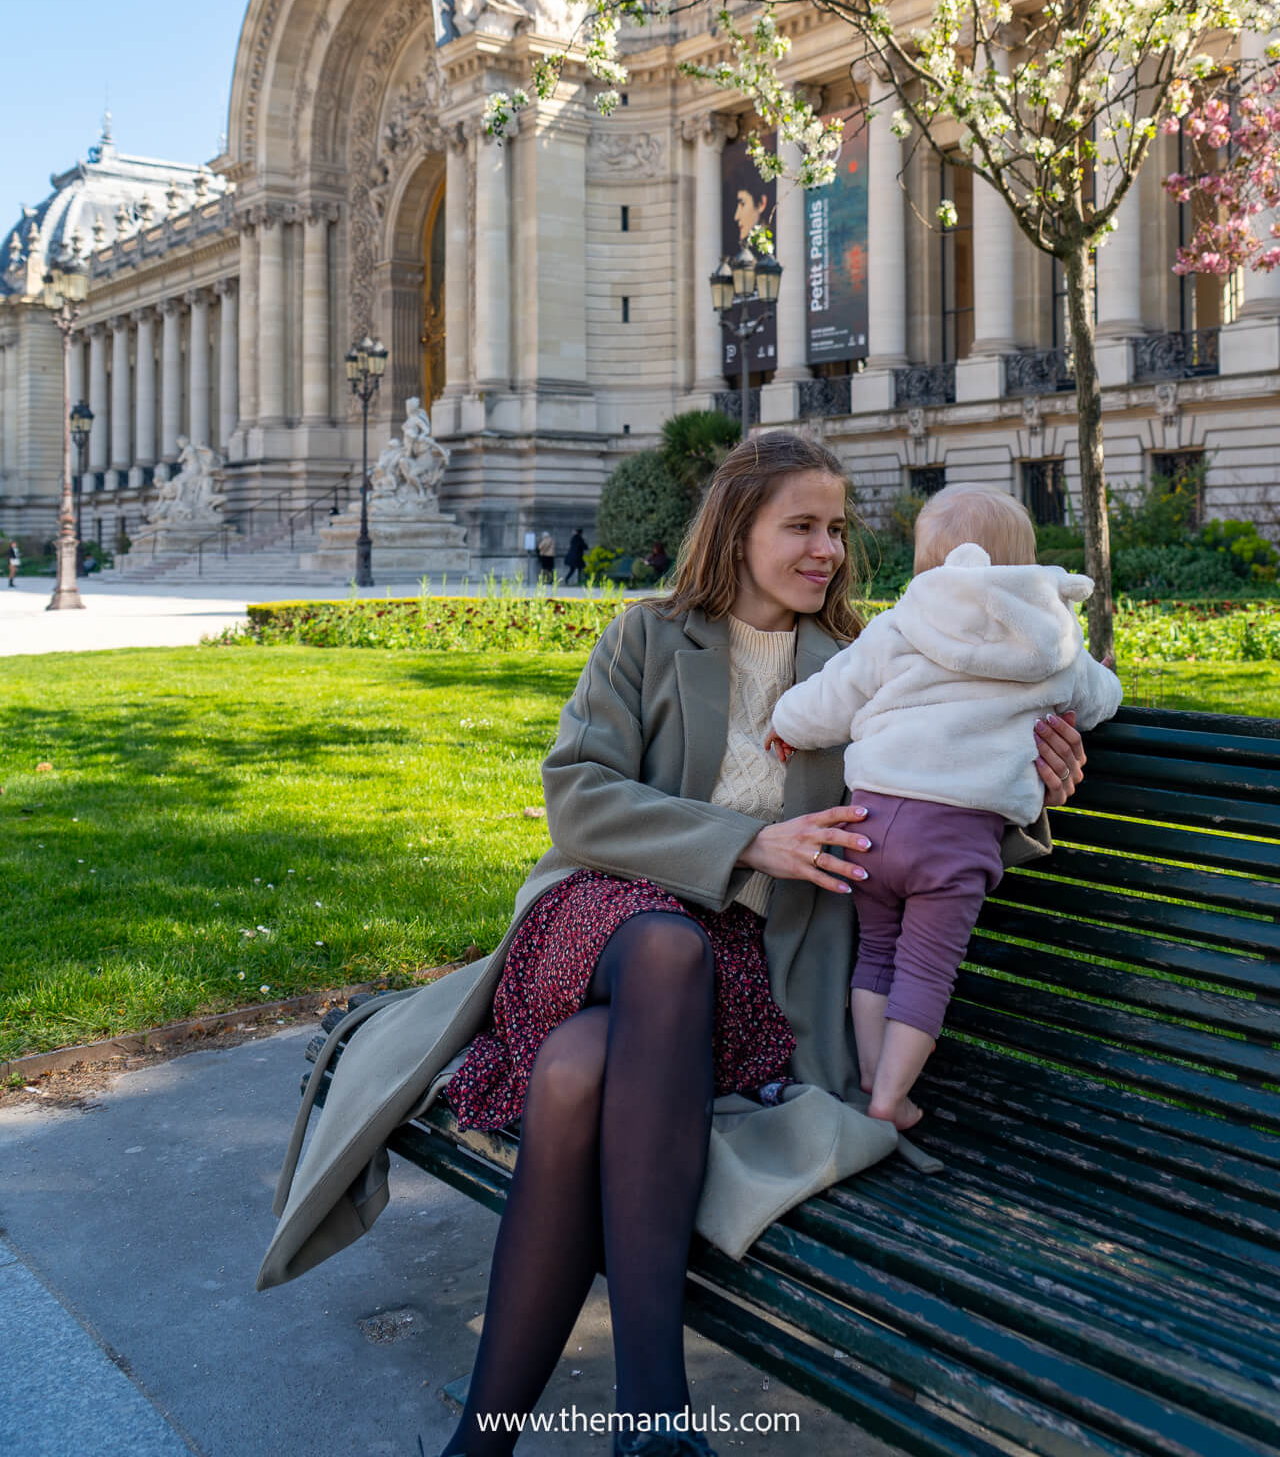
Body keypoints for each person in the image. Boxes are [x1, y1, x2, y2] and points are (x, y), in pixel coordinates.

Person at [255, 434, 1087, 1457]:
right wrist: (748, 842)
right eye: (800, 526)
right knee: (660, 950)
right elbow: (579, 795)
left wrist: (1031, 773)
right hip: (598, 922)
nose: (825, 549)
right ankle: (653, 1413)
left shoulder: (868, 664)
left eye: (835, 529)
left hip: (740, 983)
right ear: (736, 529)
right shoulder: (646, 638)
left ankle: (482, 1446)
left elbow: (932, 806)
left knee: (577, 1075)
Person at [766, 484, 1121, 1135]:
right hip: (956, 839)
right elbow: (1099, 700)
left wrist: (785, 721)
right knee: (927, 967)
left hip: (870, 824)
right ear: (1026, 562)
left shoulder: (903, 622)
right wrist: (1099, 680)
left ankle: (873, 1075)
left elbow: (829, 699)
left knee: (876, 952)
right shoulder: (1054, 634)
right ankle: (890, 1098)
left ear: (931, 564)